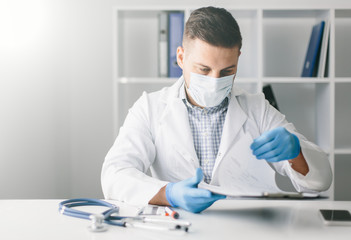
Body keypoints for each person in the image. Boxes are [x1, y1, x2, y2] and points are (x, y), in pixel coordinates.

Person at [101, 6, 332, 213]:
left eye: (226, 71)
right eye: (203, 69)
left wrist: (296, 153)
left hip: (250, 230)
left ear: (238, 59)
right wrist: (169, 193)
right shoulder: (150, 108)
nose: (214, 81)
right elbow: (114, 175)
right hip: (180, 226)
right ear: (181, 57)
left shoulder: (257, 108)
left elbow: (321, 181)